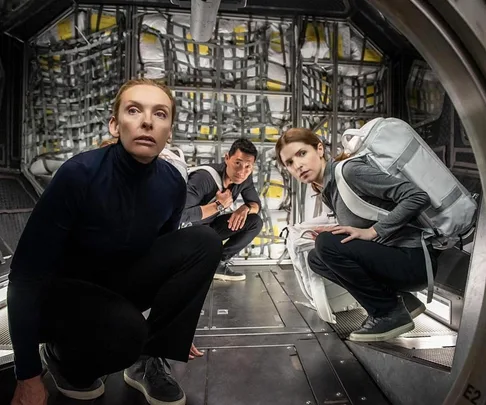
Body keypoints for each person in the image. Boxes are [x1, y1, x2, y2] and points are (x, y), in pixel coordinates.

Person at [8, 78, 222, 405]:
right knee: (128, 332)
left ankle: (148, 363)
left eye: (160, 114)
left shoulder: (171, 182)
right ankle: (62, 357)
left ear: (169, 131)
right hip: (62, 294)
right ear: (115, 124)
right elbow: (25, 275)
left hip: (116, 283)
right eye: (134, 110)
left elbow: (165, 252)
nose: (147, 121)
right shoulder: (79, 174)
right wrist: (27, 374)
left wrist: (171, 328)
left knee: (204, 241)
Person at [276, 128, 436, 342]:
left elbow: (417, 197)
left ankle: (388, 312)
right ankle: (401, 301)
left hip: (415, 261)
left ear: (320, 149)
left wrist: (372, 232)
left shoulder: (350, 172)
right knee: (316, 258)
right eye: (289, 163)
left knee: (325, 245)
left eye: (302, 154)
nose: (298, 166)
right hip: (395, 261)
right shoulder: (328, 190)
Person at [181, 138, 263, 281]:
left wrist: (245, 208)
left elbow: (256, 204)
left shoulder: (244, 178)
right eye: (237, 163)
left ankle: (216, 263)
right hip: (186, 234)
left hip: (209, 229)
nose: (241, 171)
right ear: (227, 158)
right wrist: (218, 205)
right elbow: (181, 215)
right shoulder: (203, 179)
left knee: (255, 221)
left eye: (247, 166)